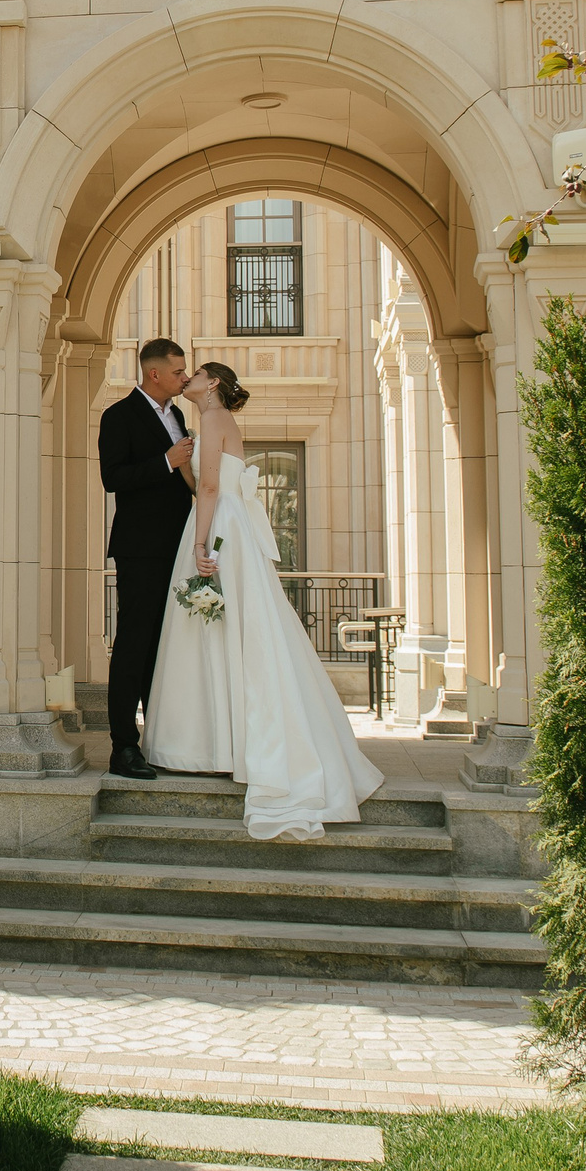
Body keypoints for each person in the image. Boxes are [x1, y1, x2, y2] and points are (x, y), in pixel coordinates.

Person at [144, 360, 383, 840]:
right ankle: (222, 743)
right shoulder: (216, 421)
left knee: (218, 628)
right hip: (224, 520)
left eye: (195, 374)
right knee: (225, 629)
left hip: (217, 528)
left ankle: (217, 745)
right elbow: (204, 482)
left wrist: (199, 546)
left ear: (212, 384)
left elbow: (210, 487)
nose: (187, 378)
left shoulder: (212, 419)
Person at [97, 338, 195, 780]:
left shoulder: (177, 415)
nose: (185, 378)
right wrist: (166, 462)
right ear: (154, 373)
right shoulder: (118, 416)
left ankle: (159, 738)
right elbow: (113, 478)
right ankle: (123, 748)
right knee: (134, 645)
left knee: (163, 646)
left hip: (177, 548)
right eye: (178, 372)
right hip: (140, 550)